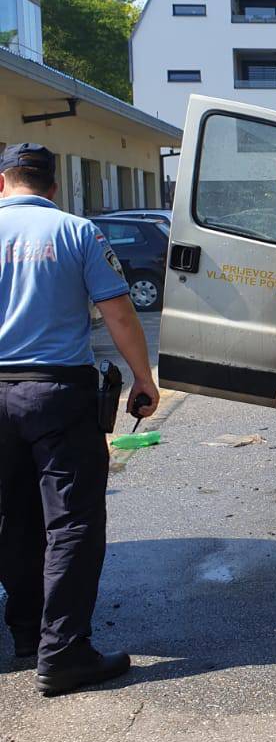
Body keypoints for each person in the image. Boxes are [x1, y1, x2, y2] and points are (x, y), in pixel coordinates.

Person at [0, 143, 159, 695]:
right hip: (57, 393)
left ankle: (25, 634)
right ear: (53, 187)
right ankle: (63, 652)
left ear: (2, 184)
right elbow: (117, 311)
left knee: (11, 517)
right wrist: (143, 377)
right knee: (70, 524)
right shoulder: (77, 232)